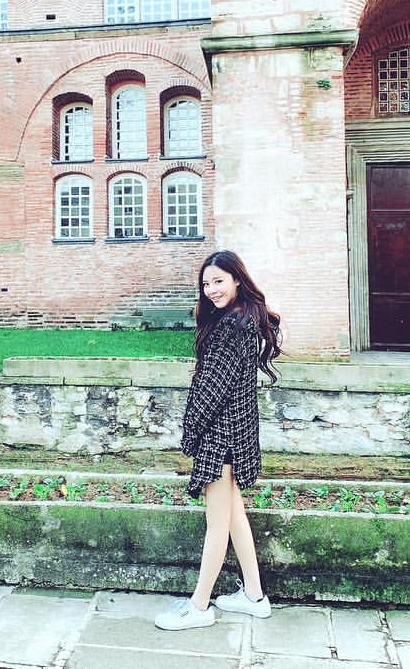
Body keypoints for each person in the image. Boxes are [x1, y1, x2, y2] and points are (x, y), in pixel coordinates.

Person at [154, 250, 283, 631]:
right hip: (236, 431)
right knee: (234, 514)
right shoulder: (245, 319)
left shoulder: (231, 326)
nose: (211, 290)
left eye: (218, 281)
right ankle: (254, 596)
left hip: (221, 434)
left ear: (237, 280)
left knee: (217, 524)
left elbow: (211, 389)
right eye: (206, 283)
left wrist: (191, 432)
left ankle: (199, 607)